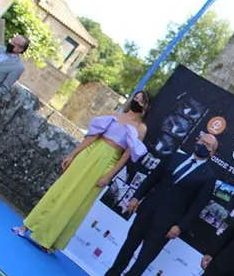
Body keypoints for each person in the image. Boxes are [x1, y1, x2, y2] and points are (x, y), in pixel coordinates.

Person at [85, 134, 219, 276]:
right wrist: (136, 197)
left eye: (208, 145)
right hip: (147, 211)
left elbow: (196, 207)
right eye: (202, 141)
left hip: (167, 224)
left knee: (144, 259)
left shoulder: (208, 177)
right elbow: (152, 178)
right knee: (127, 247)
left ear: (212, 153)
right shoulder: (175, 157)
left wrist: (180, 227)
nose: (203, 145)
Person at [12, 91, 151, 253]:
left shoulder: (141, 129)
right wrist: (72, 155)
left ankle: (49, 240)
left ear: (146, 106)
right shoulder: (114, 115)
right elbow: (92, 136)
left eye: (141, 100)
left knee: (78, 201)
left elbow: (126, 156)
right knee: (60, 190)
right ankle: (25, 226)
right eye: (136, 98)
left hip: (108, 161)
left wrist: (109, 175)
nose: (137, 101)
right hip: (89, 153)